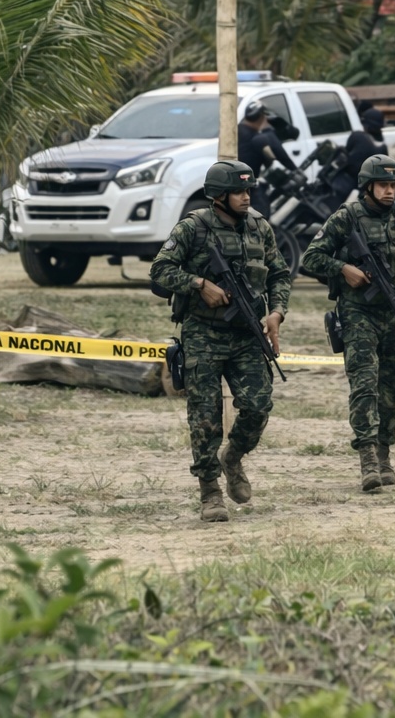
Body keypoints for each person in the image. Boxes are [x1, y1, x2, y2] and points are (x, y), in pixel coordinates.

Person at [149, 161, 292, 523]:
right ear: (218, 196)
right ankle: (210, 490)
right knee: (205, 416)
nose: (246, 197)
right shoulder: (193, 227)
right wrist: (199, 284)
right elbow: (160, 270)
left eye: (248, 191)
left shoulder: (259, 227)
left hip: (247, 334)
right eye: (238, 192)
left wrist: (276, 313)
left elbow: (279, 273)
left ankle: (233, 457)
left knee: (258, 405)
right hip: (203, 333)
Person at [300, 154, 395, 491]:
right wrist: (343, 269)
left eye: (394, 185)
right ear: (367, 187)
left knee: (392, 388)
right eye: (383, 185)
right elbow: (311, 258)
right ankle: (367, 458)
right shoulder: (347, 217)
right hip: (358, 312)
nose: (390, 191)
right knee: (364, 385)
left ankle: (384, 451)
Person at [237, 101, 298, 215]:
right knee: (262, 212)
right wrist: (294, 170)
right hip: (247, 186)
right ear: (261, 117)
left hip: (236, 182)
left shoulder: (238, 130)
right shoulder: (257, 138)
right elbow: (276, 157)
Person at [343, 108, 387, 190]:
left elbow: (344, 156)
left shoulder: (357, 137)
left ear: (366, 125)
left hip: (349, 188)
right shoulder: (382, 147)